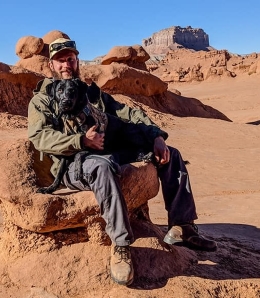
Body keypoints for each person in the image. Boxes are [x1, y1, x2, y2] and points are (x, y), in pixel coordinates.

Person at [28, 37, 217, 286]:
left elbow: (127, 113)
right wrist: (81, 141)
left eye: (70, 59)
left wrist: (156, 136)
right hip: (71, 164)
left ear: (76, 61)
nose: (66, 65)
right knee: (102, 167)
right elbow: (40, 137)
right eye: (60, 61)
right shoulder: (42, 100)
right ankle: (120, 245)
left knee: (171, 154)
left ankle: (183, 227)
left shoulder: (91, 93)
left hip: (105, 152)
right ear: (52, 65)